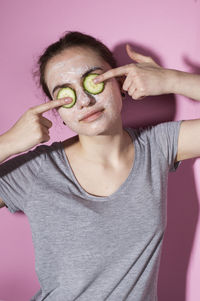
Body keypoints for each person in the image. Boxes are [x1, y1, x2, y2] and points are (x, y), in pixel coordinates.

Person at [0, 30, 200, 301]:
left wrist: (174, 80)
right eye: (66, 95)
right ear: (57, 110)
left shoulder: (157, 146)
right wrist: (9, 142)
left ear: (119, 81)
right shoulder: (36, 170)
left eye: (93, 81)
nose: (84, 100)